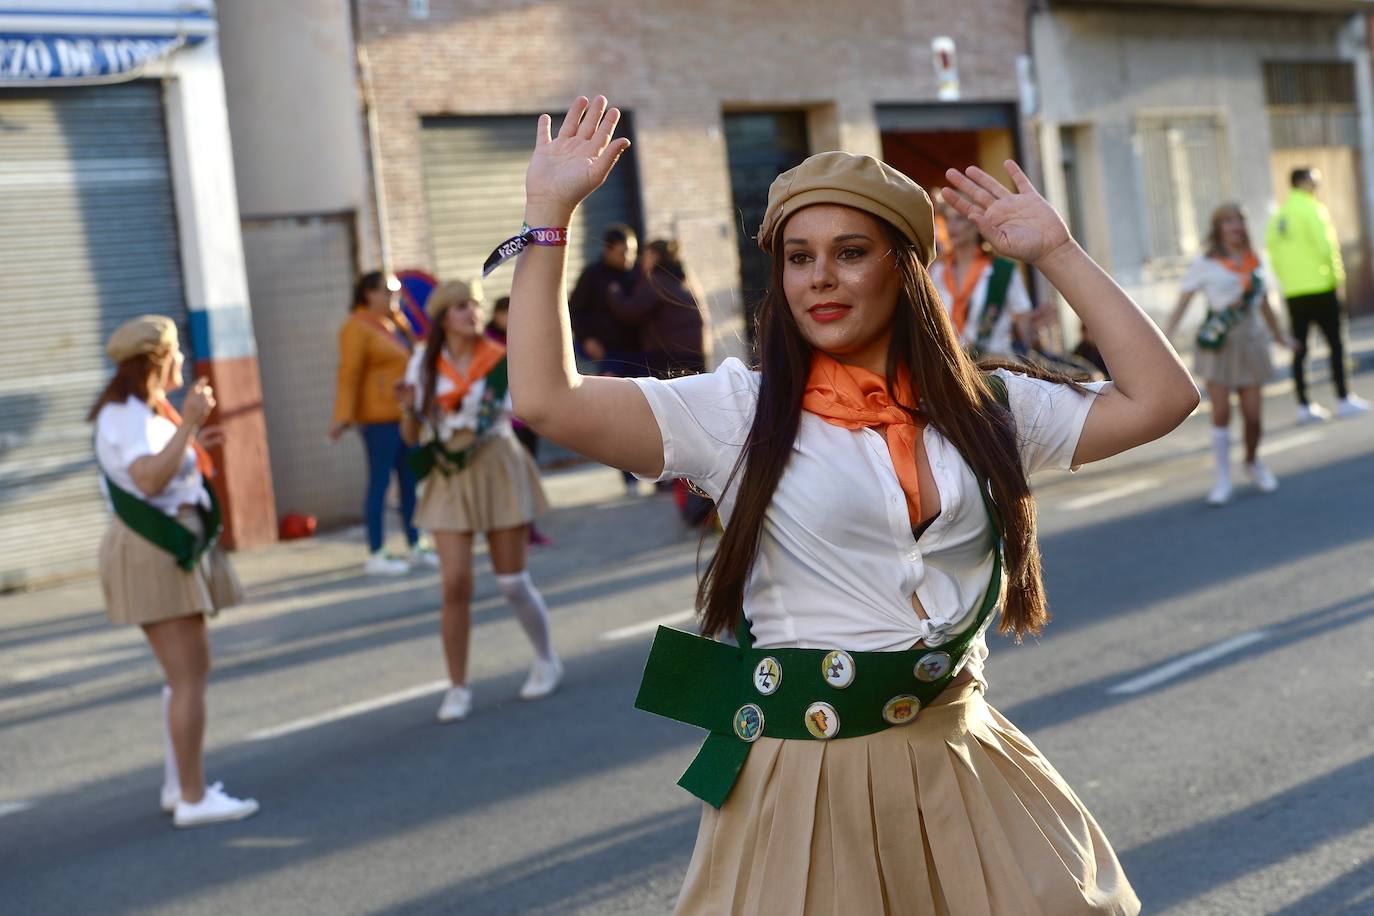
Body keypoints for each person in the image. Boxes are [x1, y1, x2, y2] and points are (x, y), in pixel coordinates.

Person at [503, 96, 1200, 915]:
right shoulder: (737, 413)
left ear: (903, 268)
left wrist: (1057, 251)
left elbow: (1163, 397)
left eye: (850, 252)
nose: (820, 277)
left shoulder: (994, 412)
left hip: (961, 760)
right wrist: (547, 218)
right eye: (798, 257)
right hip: (806, 778)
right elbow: (549, 401)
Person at [89, 316, 259, 828]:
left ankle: (177, 786)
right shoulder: (130, 415)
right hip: (153, 546)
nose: (183, 359)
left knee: (180, 677)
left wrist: (189, 433)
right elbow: (146, 478)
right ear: (157, 360)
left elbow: (156, 467)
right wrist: (187, 424)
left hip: (160, 546)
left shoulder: (140, 411)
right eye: (176, 351)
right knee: (189, 677)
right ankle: (192, 796)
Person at [399, 280, 562, 722]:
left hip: (495, 463)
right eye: (459, 307)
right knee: (454, 583)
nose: (471, 313)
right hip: (449, 474)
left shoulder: (498, 357)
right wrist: (411, 408)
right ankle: (456, 687)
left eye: (473, 304)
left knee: (511, 581)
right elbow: (410, 438)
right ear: (441, 318)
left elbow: (522, 409)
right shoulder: (422, 364)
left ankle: (546, 658)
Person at [1165, 204, 1294, 506]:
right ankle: (1222, 478)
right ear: (1218, 227)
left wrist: (1280, 335)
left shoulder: (1254, 259)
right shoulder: (1205, 263)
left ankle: (1252, 461)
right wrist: (1164, 336)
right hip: (1219, 345)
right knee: (1221, 413)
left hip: (1251, 343)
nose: (1234, 226)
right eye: (1227, 221)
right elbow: (1184, 301)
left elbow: (1263, 304)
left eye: (1238, 221)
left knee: (1253, 417)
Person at [330, 271, 434, 575]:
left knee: (409, 482)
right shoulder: (356, 328)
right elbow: (348, 375)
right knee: (380, 484)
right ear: (369, 294)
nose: (395, 297)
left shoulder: (393, 323)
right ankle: (377, 551)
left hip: (404, 415)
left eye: (398, 292)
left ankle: (416, 542)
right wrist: (342, 417)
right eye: (389, 291)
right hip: (378, 420)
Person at [1265, 167, 1370, 422]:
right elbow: (1327, 247)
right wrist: (1338, 279)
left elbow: (1273, 253)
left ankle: (1304, 405)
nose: (1317, 186)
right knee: (1336, 344)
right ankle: (1343, 397)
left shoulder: (1280, 215)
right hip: (1321, 287)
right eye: (1314, 181)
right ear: (1302, 182)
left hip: (1294, 291)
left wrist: (1288, 282)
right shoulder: (1312, 209)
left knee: (1300, 349)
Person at [569, 224, 646, 493]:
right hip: (610, 358)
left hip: (640, 353)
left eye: (633, 252)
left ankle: (654, 473)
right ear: (608, 250)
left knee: (645, 415)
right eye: (624, 251)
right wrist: (588, 339)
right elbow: (574, 310)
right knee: (621, 418)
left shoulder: (638, 274)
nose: (629, 257)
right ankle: (629, 477)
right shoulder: (592, 276)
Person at [928, 201, 1034, 359]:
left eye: (960, 218)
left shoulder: (1001, 270)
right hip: (948, 363)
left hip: (994, 363)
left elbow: (1025, 328)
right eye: (948, 218)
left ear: (977, 224)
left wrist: (1033, 332)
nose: (952, 225)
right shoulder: (936, 271)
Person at [487, 295, 553, 546]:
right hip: (502, 423)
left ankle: (529, 528)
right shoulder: (486, 343)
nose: (508, 318)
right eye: (505, 313)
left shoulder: (521, 336)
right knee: (510, 479)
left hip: (526, 418)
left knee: (528, 473)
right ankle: (513, 531)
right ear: (495, 315)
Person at [607, 238, 712, 378]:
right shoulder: (683, 279)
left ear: (655, 256)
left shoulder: (656, 281)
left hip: (671, 357)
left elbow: (630, 311)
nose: (641, 260)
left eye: (645, 255)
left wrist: (614, 292)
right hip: (696, 355)